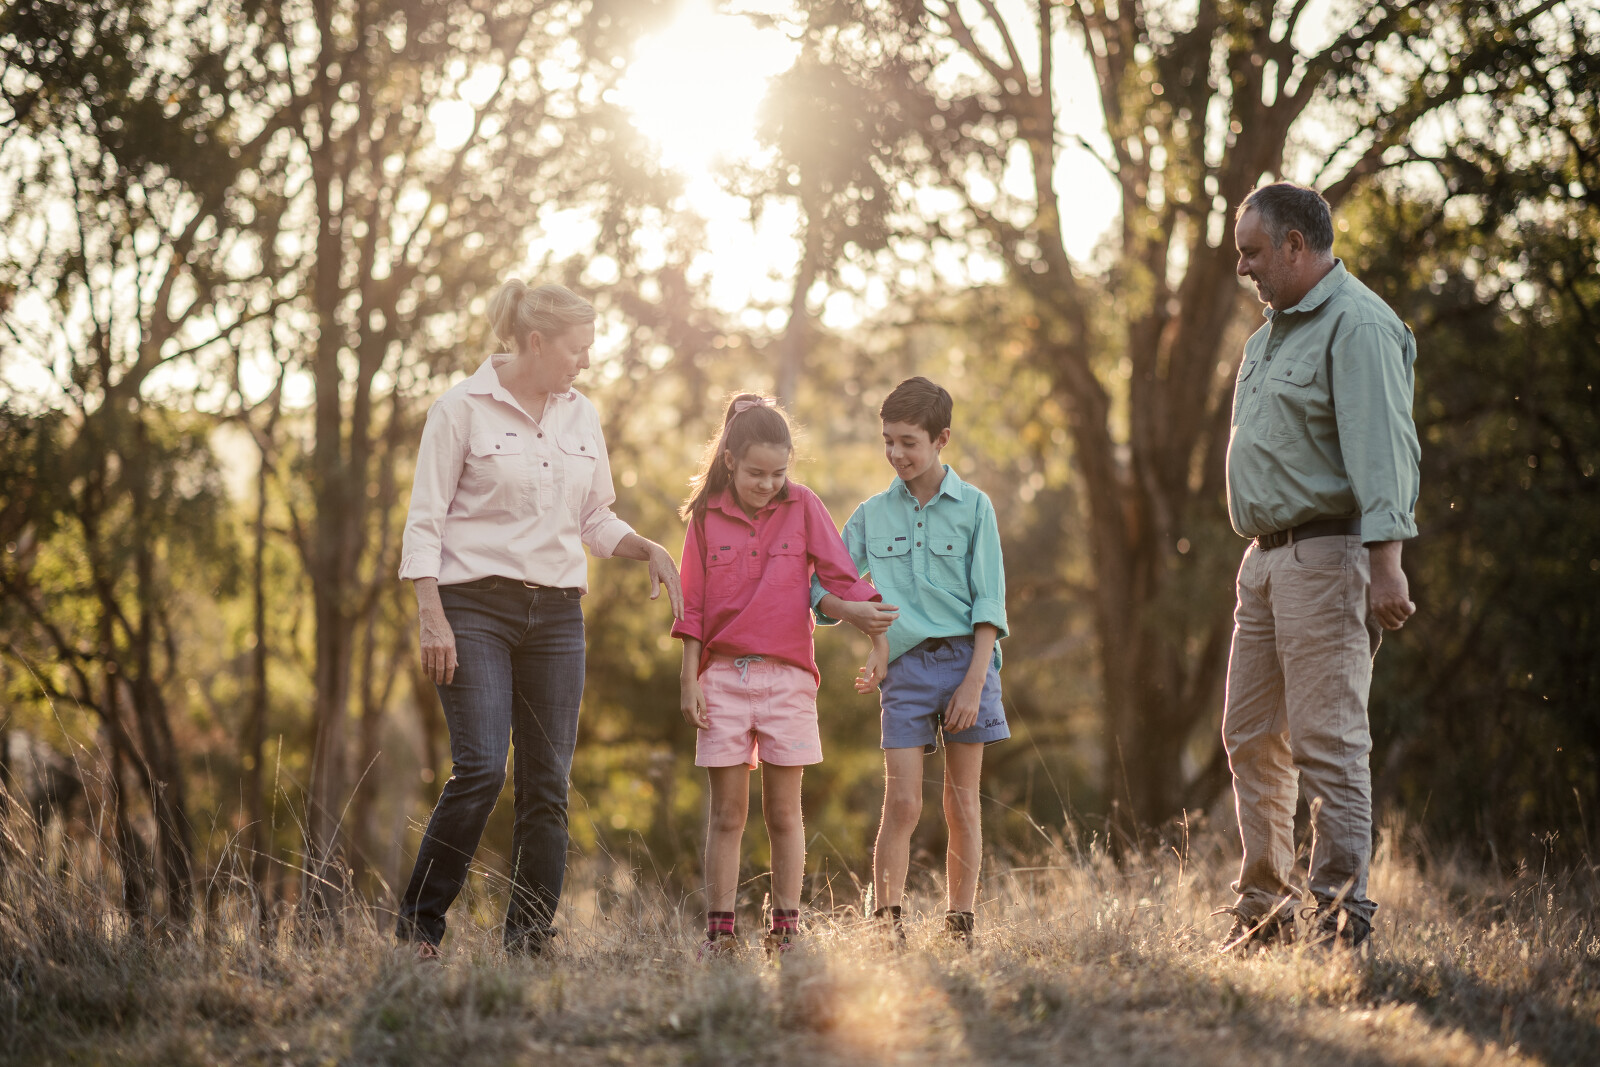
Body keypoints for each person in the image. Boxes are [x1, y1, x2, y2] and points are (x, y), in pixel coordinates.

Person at [395, 280, 683, 959]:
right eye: (576, 348)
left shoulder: (581, 416)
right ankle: (418, 928)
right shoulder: (460, 409)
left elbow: (593, 517)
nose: (585, 361)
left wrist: (643, 545)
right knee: (480, 768)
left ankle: (527, 940)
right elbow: (425, 522)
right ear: (535, 341)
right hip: (473, 607)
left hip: (556, 615)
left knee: (547, 784)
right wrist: (432, 615)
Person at [1217, 183, 1420, 953]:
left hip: (1329, 557)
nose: (1244, 268)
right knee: (1249, 735)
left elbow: (1384, 450)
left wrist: (1386, 563)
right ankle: (1264, 913)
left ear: (1296, 245)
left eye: (1253, 252)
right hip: (1264, 562)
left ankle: (1341, 922)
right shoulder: (1267, 337)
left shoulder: (1358, 325)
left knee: (1328, 742)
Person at [673, 393, 894, 957]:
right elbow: (692, 607)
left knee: (784, 813)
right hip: (721, 678)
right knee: (727, 814)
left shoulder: (803, 505)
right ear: (729, 461)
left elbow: (842, 576)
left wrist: (878, 638)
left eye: (778, 473)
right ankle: (720, 934)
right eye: (756, 473)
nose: (768, 484)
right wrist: (689, 679)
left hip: (789, 680)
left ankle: (786, 930)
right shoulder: (705, 518)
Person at [815, 376, 1009, 949]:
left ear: (941, 438)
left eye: (908, 442)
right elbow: (822, 584)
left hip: (968, 664)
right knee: (901, 803)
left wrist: (974, 683)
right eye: (888, 441)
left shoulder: (975, 508)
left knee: (962, 802)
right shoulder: (871, 515)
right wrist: (856, 617)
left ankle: (960, 926)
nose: (896, 453)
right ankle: (886, 928)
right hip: (905, 671)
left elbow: (990, 602)